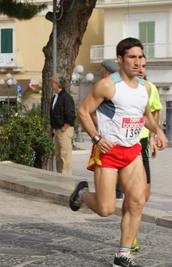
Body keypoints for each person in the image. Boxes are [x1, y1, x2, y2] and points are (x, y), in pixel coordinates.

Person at [69, 37, 168, 267]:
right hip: (109, 152)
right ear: (120, 59)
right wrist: (96, 138)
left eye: (140, 57)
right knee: (106, 209)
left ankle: (123, 254)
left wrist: (158, 132)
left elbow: (144, 116)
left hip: (132, 151)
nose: (137, 62)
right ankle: (81, 194)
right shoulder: (108, 85)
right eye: (132, 57)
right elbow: (83, 111)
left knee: (137, 201)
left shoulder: (144, 87)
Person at [129, 56, 162, 252]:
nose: (141, 69)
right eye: (137, 66)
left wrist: (152, 136)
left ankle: (129, 228)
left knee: (144, 194)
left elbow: (154, 113)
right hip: (125, 142)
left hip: (141, 142)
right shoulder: (123, 88)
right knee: (133, 194)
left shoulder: (150, 88)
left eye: (144, 67)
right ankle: (130, 237)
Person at [99, 60, 124, 200]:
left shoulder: (105, 86)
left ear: (104, 71)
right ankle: (114, 192)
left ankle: (115, 192)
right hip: (112, 136)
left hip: (110, 136)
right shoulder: (122, 86)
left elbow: (89, 112)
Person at [48, 73, 76, 174]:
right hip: (57, 129)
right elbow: (53, 114)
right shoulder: (55, 97)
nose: (51, 84)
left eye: (53, 82)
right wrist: (51, 129)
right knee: (58, 155)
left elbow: (71, 115)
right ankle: (60, 174)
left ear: (58, 84)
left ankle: (66, 175)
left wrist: (64, 128)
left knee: (65, 154)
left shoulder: (66, 98)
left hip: (64, 129)